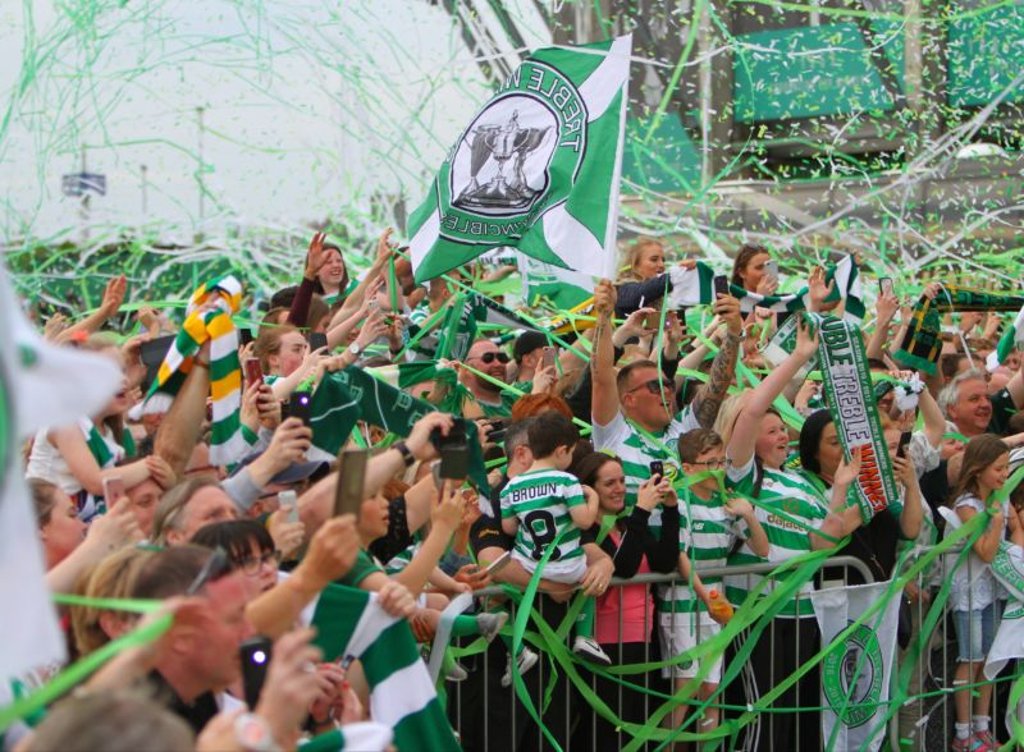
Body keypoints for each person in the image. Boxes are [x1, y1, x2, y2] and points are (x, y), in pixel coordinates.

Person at [720, 316, 861, 752]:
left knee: (798, 721)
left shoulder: (800, 482)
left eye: (785, 429)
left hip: (803, 615)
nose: (784, 434)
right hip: (757, 614)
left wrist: (839, 490)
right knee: (761, 719)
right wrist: (799, 356)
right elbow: (752, 410)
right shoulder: (743, 474)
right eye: (774, 429)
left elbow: (822, 544)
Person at [660, 428, 770, 744]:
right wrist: (704, 595)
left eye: (721, 462)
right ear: (688, 467)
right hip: (683, 602)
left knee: (711, 688)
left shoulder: (726, 502)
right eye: (709, 463)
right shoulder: (678, 502)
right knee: (685, 687)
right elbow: (679, 554)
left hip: (715, 600)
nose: (717, 470)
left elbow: (762, 550)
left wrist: (749, 516)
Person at [572, 451, 679, 751]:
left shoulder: (625, 526)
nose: (620, 488)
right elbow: (625, 567)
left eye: (622, 481)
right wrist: (641, 513)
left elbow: (664, 561)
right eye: (610, 483)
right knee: (609, 733)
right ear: (590, 489)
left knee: (638, 729)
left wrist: (670, 510)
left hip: (642, 639)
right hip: (605, 645)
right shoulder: (584, 531)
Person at [499, 412, 609, 663]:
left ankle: (517, 651)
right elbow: (583, 521)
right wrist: (592, 499)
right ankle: (585, 637)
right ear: (561, 451)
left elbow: (509, 529)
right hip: (569, 567)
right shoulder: (566, 481)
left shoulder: (511, 487)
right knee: (591, 575)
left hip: (531, 566)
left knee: (498, 593)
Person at [944, 434, 1011, 752]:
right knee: (969, 659)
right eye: (998, 468)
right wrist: (997, 522)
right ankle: (962, 731)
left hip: (992, 589)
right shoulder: (967, 506)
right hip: (969, 591)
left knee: (987, 660)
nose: (1004, 475)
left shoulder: (999, 499)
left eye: (1006, 468)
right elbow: (985, 550)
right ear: (979, 469)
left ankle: (982, 726)